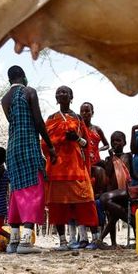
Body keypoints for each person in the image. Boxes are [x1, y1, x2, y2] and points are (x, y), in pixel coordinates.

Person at [1, 66, 57, 254]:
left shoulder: (4, 99)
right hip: (28, 146)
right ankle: (26, 242)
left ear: (9, 80)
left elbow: (13, 122)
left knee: (17, 192)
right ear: (23, 78)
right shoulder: (29, 92)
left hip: (12, 149)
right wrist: (49, 146)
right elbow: (38, 121)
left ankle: (13, 242)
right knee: (34, 189)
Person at [45, 85, 100, 250]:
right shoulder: (51, 118)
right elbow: (45, 143)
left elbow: (86, 144)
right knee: (57, 204)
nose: (61, 94)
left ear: (71, 97)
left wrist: (76, 138)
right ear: (56, 98)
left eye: (65, 92)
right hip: (57, 168)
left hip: (76, 167)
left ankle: (95, 239)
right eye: (58, 92)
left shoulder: (78, 118)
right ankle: (63, 241)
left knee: (86, 201)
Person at [80, 102, 108, 167]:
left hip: (95, 159)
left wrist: (99, 149)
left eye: (87, 111)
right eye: (82, 111)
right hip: (82, 159)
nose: (84, 113)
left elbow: (106, 145)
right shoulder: (78, 128)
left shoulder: (97, 129)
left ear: (92, 113)